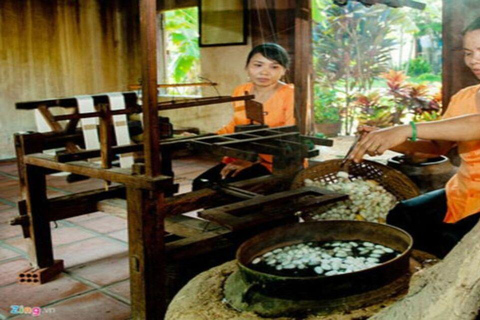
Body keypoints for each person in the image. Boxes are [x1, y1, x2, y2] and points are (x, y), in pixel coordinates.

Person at [349, 17, 480, 258]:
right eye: (468, 52)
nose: (473, 60)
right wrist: (386, 140)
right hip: (461, 192)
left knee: (455, 245)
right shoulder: (464, 97)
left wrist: (404, 129)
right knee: (403, 216)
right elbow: (435, 148)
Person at [192, 43, 295, 191]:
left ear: (284, 71)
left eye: (274, 67)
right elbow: (236, 123)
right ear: (247, 67)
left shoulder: (291, 94)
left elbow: (290, 139)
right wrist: (206, 137)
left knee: (227, 190)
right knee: (201, 184)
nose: (264, 72)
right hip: (244, 156)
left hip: (278, 161)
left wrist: (254, 160)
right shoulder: (242, 91)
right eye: (258, 65)